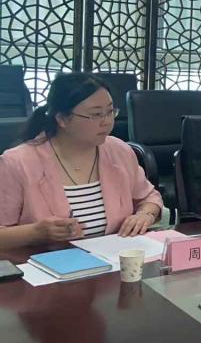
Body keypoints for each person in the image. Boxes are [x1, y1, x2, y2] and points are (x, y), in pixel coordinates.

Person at [0, 73, 163, 250]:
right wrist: (36, 232)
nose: (107, 122)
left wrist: (145, 214)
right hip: (45, 263)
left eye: (110, 112)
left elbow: (149, 197)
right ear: (62, 119)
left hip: (115, 258)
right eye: (96, 114)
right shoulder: (17, 163)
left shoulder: (118, 150)